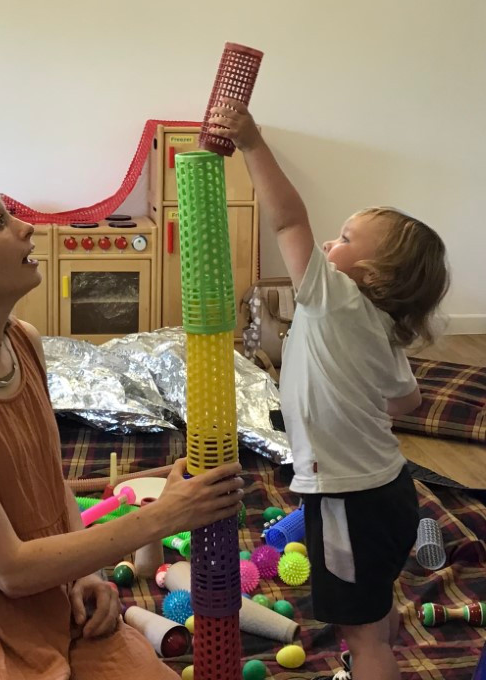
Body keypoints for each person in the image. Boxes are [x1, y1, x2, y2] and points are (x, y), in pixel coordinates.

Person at [0, 177, 245, 680]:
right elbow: (9, 568)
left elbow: (49, 484)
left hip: (54, 598)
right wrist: (162, 518)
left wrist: (84, 573)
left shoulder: (24, 342)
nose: (27, 227)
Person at [209, 99, 449, 680]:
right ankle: (371, 651)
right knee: (374, 601)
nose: (326, 247)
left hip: (349, 499)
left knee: (363, 635)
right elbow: (407, 400)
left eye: (343, 238)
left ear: (370, 276)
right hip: (390, 488)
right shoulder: (382, 328)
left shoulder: (334, 296)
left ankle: (369, 662)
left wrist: (252, 142)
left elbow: (289, 220)